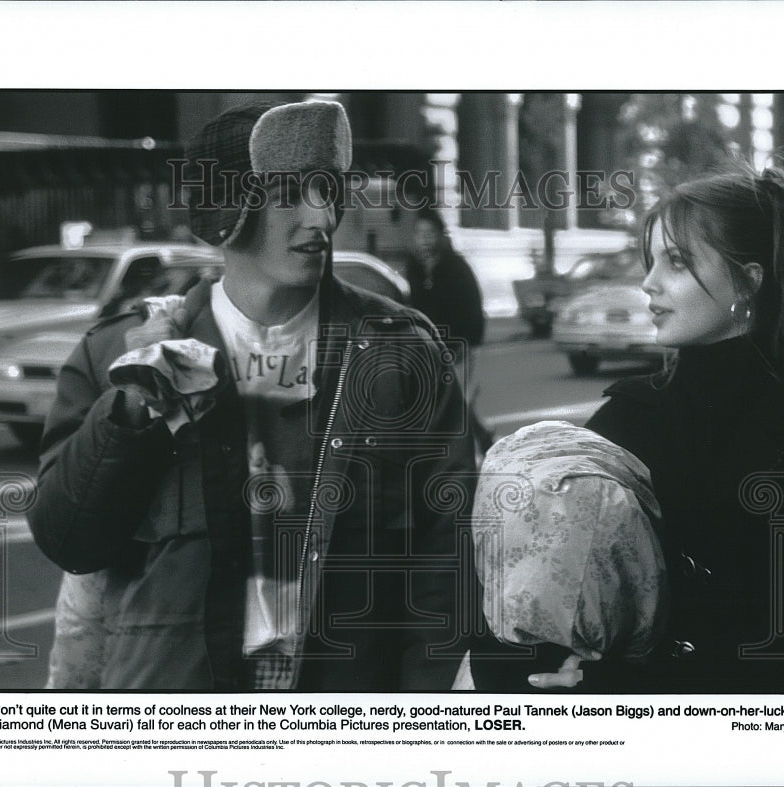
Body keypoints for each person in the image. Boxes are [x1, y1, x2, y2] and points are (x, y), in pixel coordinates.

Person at [29, 100, 476, 691]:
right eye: (289, 194)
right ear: (224, 211)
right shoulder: (118, 354)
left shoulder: (403, 355)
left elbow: (444, 564)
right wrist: (130, 410)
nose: (322, 218)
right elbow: (70, 540)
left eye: (329, 189)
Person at [471, 166, 784, 693]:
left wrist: (622, 684)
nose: (648, 282)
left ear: (749, 280)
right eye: (652, 260)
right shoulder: (631, 414)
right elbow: (531, 599)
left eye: (678, 262)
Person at [405, 208, 491, 450]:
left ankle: (461, 458)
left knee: (456, 403)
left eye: (430, 233)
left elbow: (472, 308)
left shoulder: (456, 267)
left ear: (441, 236)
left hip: (458, 347)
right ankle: (482, 438)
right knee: (449, 404)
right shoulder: (414, 268)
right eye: (420, 233)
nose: (425, 239)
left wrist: (465, 343)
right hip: (429, 349)